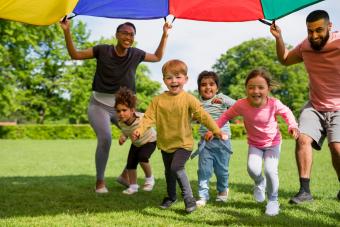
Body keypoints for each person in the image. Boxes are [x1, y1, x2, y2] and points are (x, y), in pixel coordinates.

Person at [60, 19, 172, 193]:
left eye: (132, 34)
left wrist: (165, 34)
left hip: (124, 109)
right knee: (105, 139)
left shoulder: (135, 54)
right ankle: (100, 182)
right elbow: (75, 54)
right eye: (125, 33)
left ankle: (125, 176)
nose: (128, 36)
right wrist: (67, 31)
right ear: (117, 35)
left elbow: (157, 57)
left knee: (146, 137)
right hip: (100, 106)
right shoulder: (102, 50)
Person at [132, 59, 226, 213]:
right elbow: (148, 118)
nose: (173, 80)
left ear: (185, 79)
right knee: (169, 171)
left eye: (178, 76)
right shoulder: (158, 100)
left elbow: (203, 116)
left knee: (176, 167)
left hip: (183, 144)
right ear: (164, 80)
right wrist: (139, 130)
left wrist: (216, 130)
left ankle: (189, 199)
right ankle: (171, 196)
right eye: (169, 77)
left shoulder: (189, 99)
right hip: (165, 144)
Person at [206, 68, 299, 216]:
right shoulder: (241, 104)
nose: (256, 91)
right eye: (251, 87)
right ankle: (259, 183)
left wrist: (292, 125)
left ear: (268, 89)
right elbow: (225, 116)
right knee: (252, 169)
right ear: (246, 89)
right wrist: (213, 129)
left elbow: (287, 113)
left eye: (260, 87)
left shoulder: (274, 103)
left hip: (273, 143)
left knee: (270, 170)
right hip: (255, 144)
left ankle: (273, 201)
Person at [270, 10, 340, 203]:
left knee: (337, 148)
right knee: (302, 139)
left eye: (319, 30)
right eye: (310, 31)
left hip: (339, 106)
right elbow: (284, 59)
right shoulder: (305, 46)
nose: (314, 36)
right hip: (315, 105)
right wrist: (279, 38)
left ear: (330, 27)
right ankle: (305, 192)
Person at [194, 71, 236, 207]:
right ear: (199, 88)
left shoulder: (221, 98)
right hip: (205, 144)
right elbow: (190, 117)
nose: (208, 87)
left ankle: (223, 191)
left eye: (212, 84)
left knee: (222, 170)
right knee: (204, 170)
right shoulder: (196, 103)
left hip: (222, 143)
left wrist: (224, 101)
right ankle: (202, 195)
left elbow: (238, 105)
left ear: (217, 88)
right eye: (203, 85)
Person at [114, 87, 157, 195]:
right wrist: (123, 137)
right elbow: (125, 131)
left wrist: (139, 132)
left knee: (143, 157)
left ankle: (150, 180)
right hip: (136, 144)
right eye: (118, 111)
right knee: (130, 164)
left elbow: (150, 122)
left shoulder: (141, 117)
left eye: (124, 110)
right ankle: (133, 186)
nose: (121, 113)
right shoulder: (121, 122)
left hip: (149, 141)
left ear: (132, 110)